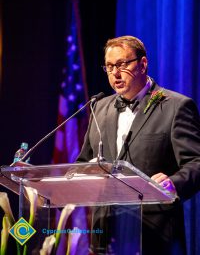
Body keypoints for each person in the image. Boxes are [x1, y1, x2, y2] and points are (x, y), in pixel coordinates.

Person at [77, 35, 200, 255]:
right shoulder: (99, 108)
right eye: (109, 66)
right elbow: (83, 162)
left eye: (123, 64)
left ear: (143, 64)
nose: (115, 73)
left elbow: (196, 163)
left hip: (155, 233)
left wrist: (173, 183)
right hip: (105, 233)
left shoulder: (176, 107)